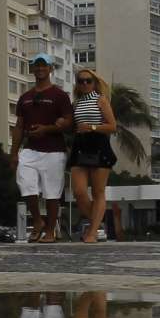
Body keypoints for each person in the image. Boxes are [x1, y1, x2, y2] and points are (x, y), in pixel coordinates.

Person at [11, 53, 73, 243]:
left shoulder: (60, 95)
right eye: (36, 65)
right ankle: (38, 221)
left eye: (43, 65)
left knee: (52, 193)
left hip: (54, 150)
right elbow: (19, 126)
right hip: (30, 149)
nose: (40, 68)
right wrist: (13, 153)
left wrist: (47, 129)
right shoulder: (25, 97)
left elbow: (69, 122)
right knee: (26, 184)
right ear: (32, 69)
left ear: (50, 69)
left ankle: (50, 231)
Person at [68, 69, 118, 243]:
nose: (84, 84)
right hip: (80, 146)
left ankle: (92, 232)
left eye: (88, 80)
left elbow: (112, 126)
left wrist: (92, 127)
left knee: (98, 192)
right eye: (80, 81)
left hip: (99, 145)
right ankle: (96, 223)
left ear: (95, 82)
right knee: (79, 192)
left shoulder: (101, 100)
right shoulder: (76, 103)